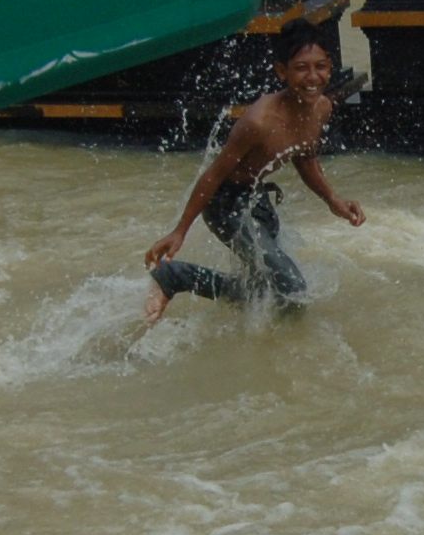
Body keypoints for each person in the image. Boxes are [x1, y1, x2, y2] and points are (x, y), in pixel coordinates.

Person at [141, 20, 363, 322]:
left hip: (257, 199)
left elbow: (305, 156)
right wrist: (180, 230)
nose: (313, 77)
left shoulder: (321, 107)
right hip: (224, 206)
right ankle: (177, 276)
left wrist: (332, 199)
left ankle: (178, 279)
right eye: (301, 68)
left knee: (269, 291)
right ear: (282, 71)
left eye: (321, 66)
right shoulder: (259, 121)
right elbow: (214, 174)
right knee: (292, 290)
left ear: (330, 67)